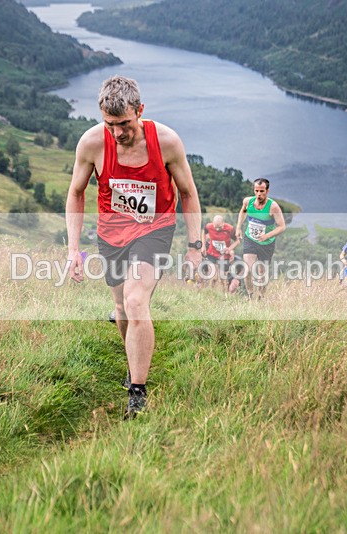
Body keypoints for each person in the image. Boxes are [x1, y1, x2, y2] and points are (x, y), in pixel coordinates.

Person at [66, 75, 202, 419]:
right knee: (121, 306)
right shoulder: (92, 143)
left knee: (136, 300)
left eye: (124, 123)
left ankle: (137, 392)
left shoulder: (166, 142)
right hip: (111, 234)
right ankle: (133, 359)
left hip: (154, 230)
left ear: (140, 110)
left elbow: (187, 193)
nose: (117, 132)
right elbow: (76, 193)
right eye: (109, 124)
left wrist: (195, 246)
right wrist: (73, 250)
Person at [235, 178, 286, 300]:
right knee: (248, 270)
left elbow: (282, 226)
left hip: (266, 243)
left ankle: (261, 297)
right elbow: (243, 211)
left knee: (262, 274)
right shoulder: (248, 201)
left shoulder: (273, 207)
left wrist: (267, 236)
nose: (258, 194)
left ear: (267, 191)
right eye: (256, 191)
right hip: (250, 239)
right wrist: (238, 227)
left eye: (262, 191)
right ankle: (250, 296)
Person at [202, 215, 239, 292]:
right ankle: (211, 293)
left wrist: (230, 249)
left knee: (222, 279)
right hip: (212, 253)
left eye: (219, 227)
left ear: (223, 223)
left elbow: (237, 241)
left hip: (224, 256)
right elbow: (204, 233)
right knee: (213, 277)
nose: (217, 229)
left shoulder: (230, 229)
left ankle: (223, 294)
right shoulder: (209, 226)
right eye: (215, 227)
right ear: (213, 223)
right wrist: (203, 246)